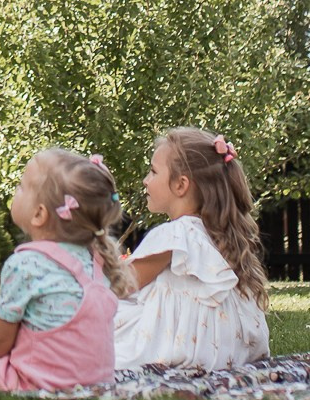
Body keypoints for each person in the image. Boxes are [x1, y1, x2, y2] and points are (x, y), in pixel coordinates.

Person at [0, 149, 131, 393]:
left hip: (34, 385)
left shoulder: (26, 263)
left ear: (39, 214)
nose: (16, 190)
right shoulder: (98, 262)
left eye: (21, 186)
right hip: (95, 385)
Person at [113, 127, 271, 371]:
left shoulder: (175, 234)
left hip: (184, 347)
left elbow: (121, 285)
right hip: (226, 352)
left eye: (153, 171)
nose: (146, 180)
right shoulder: (216, 234)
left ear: (180, 185)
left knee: (102, 324)